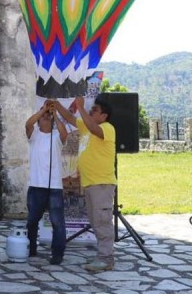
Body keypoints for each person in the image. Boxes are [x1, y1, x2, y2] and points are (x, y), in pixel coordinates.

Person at [54, 97, 116, 273]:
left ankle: (106, 259)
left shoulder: (107, 128)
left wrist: (80, 107)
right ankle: (103, 255)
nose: (90, 111)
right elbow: (71, 118)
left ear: (104, 115)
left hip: (102, 184)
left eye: (94, 109)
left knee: (102, 221)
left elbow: (93, 127)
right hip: (90, 184)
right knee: (97, 221)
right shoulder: (86, 128)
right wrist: (57, 105)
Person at [25, 99, 68, 265]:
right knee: (32, 221)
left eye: (47, 116)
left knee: (58, 222)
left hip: (54, 187)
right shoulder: (34, 135)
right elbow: (28, 124)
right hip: (36, 186)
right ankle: (32, 249)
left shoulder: (56, 136)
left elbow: (65, 134)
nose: (45, 118)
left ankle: (57, 254)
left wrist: (55, 114)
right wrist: (43, 110)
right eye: (43, 116)